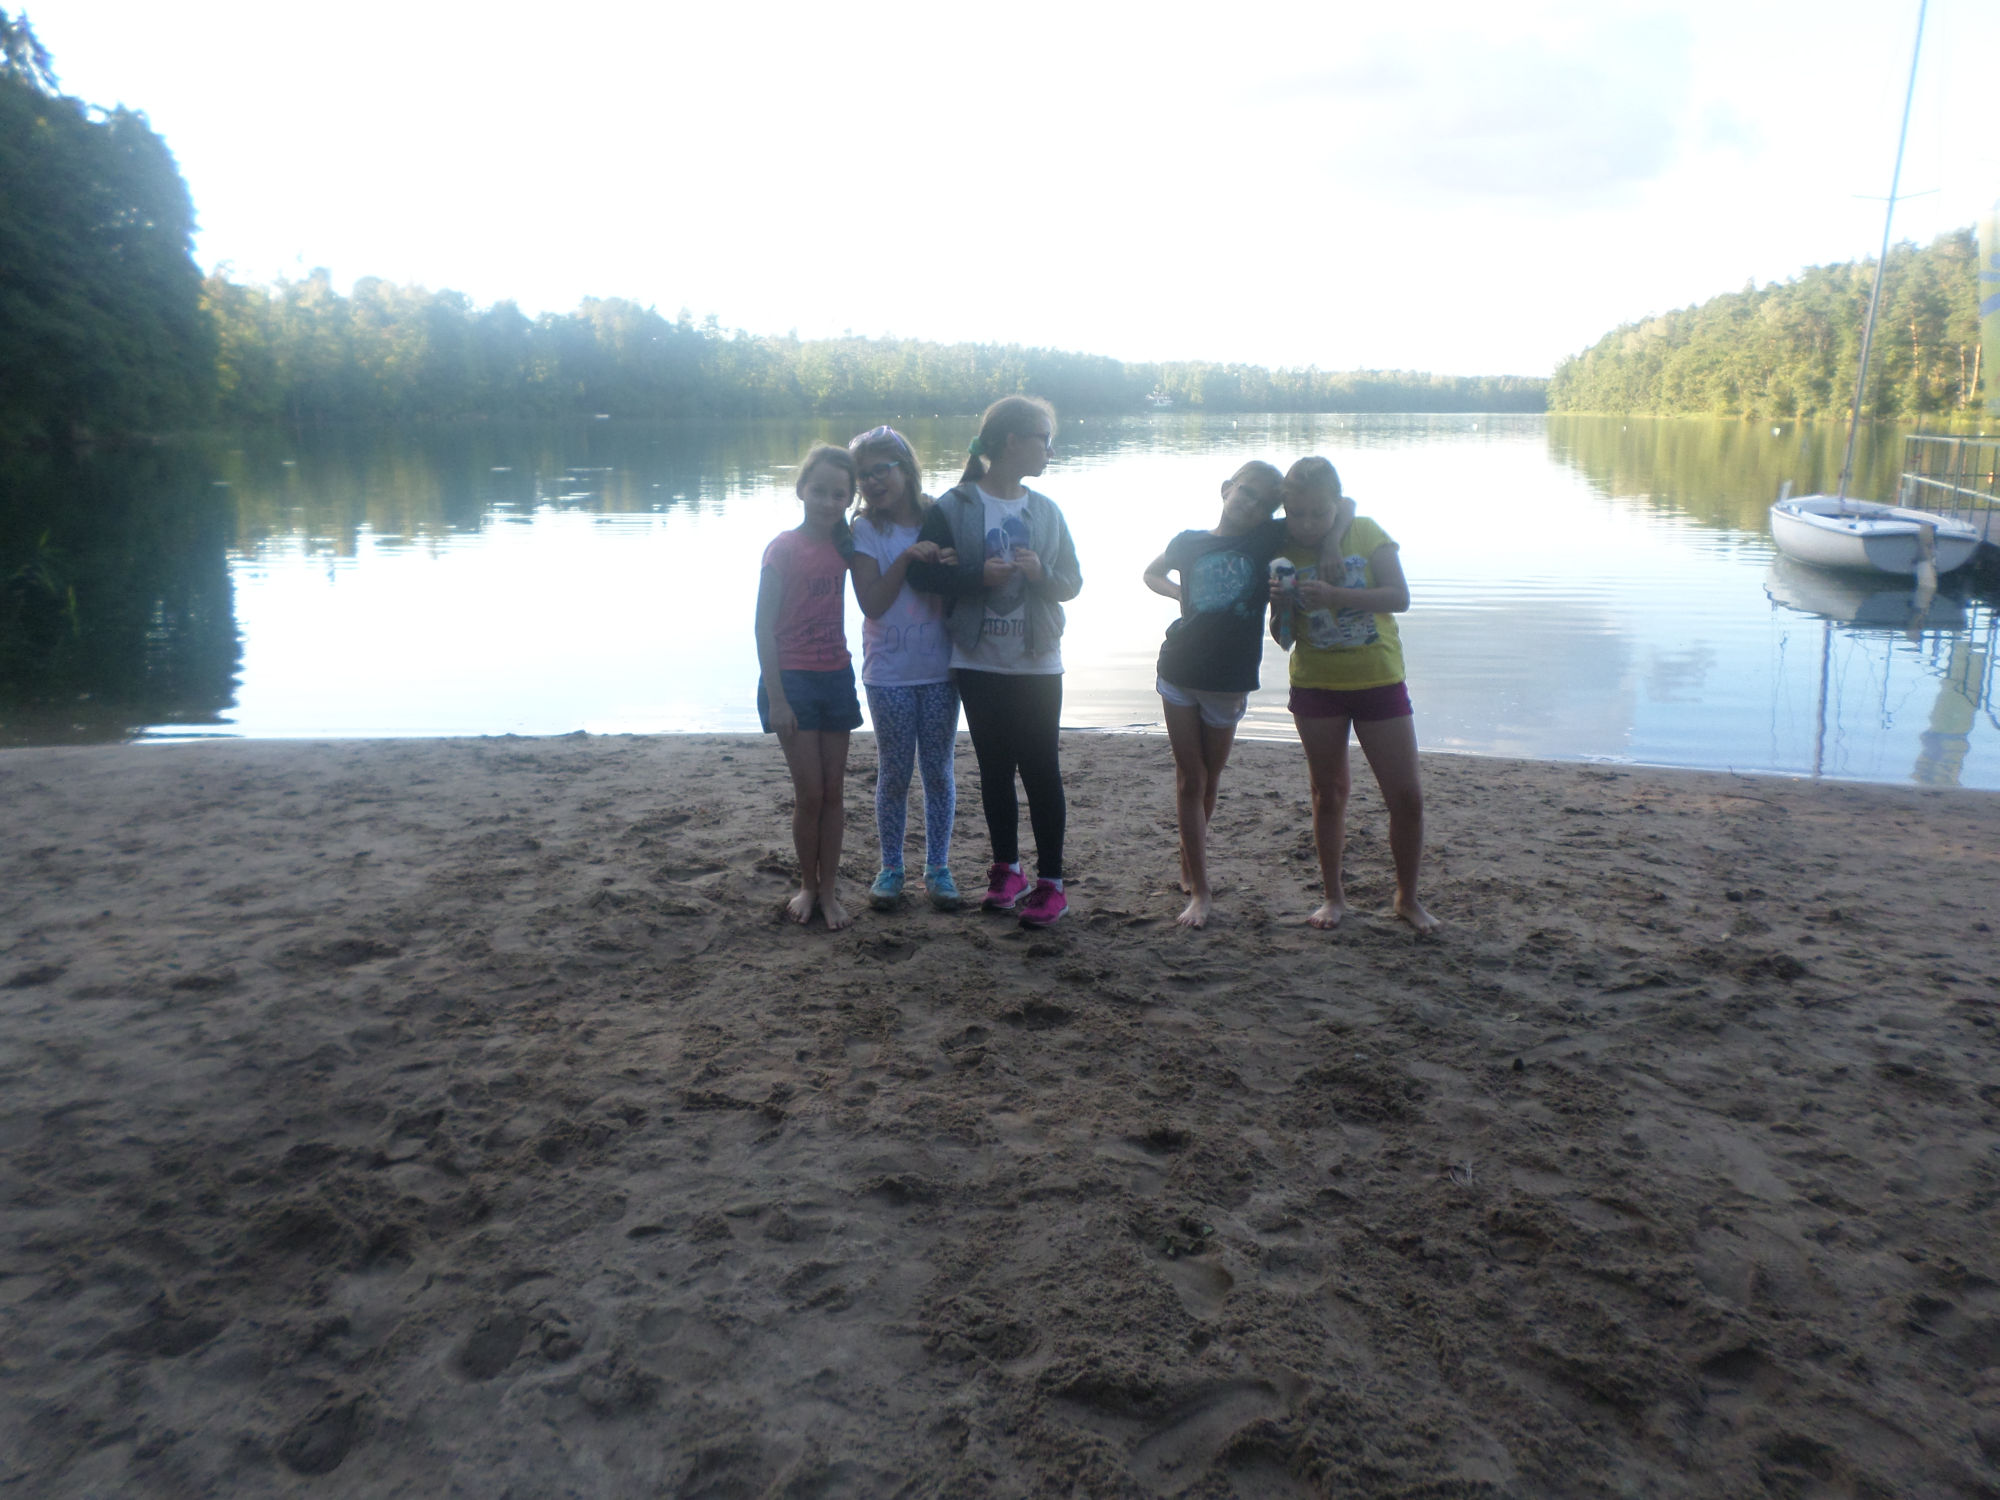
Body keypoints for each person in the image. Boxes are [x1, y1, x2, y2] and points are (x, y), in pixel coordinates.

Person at [906, 396, 1081, 929]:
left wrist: (1039, 575)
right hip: (978, 661)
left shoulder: (1046, 510)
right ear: (1012, 442)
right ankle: (1008, 871)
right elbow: (920, 574)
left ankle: (1051, 884)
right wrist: (975, 578)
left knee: (1042, 770)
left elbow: (1071, 584)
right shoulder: (954, 505)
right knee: (995, 771)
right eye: (1044, 439)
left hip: (1037, 662)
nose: (1050, 450)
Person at [1269, 456, 1439, 934]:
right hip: (1316, 686)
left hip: (1379, 680)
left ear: (1336, 505)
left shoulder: (1364, 532)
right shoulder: (1280, 552)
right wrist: (1281, 608)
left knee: (1406, 797)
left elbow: (1399, 597)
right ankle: (1333, 897)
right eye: (1297, 514)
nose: (1306, 523)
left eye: (1318, 514)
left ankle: (1407, 898)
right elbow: (1282, 640)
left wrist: (1338, 594)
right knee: (1329, 795)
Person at [1142, 460, 1287, 928]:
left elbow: (1334, 507)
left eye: (1264, 503)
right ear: (1226, 488)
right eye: (1247, 492)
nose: (1252, 504)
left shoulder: (1264, 541)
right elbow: (1151, 573)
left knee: (1209, 776)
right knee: (1190, 778)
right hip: (1179, 670)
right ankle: (1200, 890)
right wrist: (1178, 595)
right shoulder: (1188, 542)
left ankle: (1191, 858)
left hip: (1229, 680)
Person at [845, 425, 963, 911]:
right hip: (888, 673)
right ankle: (891, 867)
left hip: (941, 670)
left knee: (938, 771)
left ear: (907, 469)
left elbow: (961, 588)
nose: (873, 482)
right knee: (894, 772)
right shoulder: (865, 530)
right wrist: (909, 559)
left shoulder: (941, 517)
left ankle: (938, 868)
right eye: (863, 475)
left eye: (881, 470)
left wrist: (951, 564)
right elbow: (872, 603)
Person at [753, 444, 864, 930]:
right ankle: (807, 885)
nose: (827, 501)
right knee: (811, 794)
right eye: (818, 491)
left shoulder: (847, 546)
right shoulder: (783, 548)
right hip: (792, 680)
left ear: (849, 499)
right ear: (801, 490)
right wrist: (777, 699)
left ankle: (830, 891)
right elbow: (763, 628)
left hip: (836, 675)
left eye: (838, 494)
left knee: (834, 792)